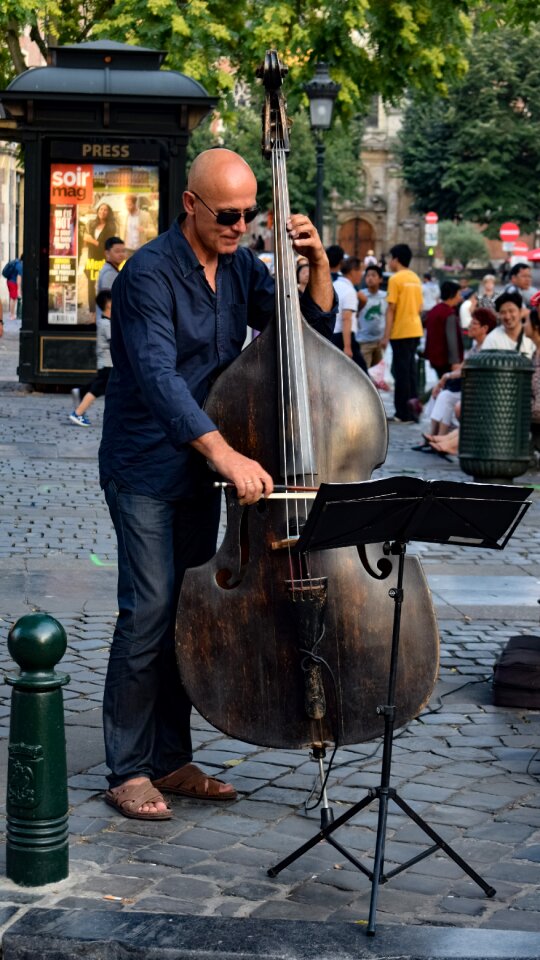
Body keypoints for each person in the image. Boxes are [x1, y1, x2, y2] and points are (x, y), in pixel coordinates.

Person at [98, 148, 336, 820]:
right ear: (191, 205)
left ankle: (171, 759)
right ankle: (126, 768)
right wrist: (226, 454)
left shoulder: (241, 267)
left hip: (205, 471)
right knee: (147, 612)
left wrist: (316, 265)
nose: (239, 225)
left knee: (186, 613)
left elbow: (304, 331)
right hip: (146, 467)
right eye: (227, 214)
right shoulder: (146, 276)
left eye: (249, 214)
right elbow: (160, 381)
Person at [381, 243, 423, 423]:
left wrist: (385, 335)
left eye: (391, 258)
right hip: (415, 329)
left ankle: (402, 413)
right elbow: (420, 307)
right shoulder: (415, 278)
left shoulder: (395, 279)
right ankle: (413, 410)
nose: (390, 262)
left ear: (396, 259)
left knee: (401, 373)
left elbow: (391, 309)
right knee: (411, 373)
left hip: (401, 331)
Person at [69, 289, 113, 426]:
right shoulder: (106, 324)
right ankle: (78, 413)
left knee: (98, 384)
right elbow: (115, 342)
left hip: (107, 362)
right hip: (108, 363)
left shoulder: (105, 321)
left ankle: (81, 391)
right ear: (109, 304)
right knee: (97, 389)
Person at [332, 256, 367, 371]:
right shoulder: (349, 291)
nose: (362, 274)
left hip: (332, 334)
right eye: (361, 270)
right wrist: (347, 347)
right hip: (344, 337)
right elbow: (346, 318)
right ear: (353, 271)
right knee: (361, 374)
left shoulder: (335, 285)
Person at [424, 279, 463, 379]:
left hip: (434, 357)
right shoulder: (448, 313)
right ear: (452, 295)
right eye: (458, 295)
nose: (460, 298)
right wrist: (455, 361)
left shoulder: (434, 310)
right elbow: (452, 339)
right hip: (445, 360)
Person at [83, 203, 117, 315]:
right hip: (92, 257)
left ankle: (105, 309)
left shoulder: (111, 227)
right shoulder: (92, 224)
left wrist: (92, 241)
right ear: (98, 211)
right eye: (101, 209)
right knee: (90, 284)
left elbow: (107, 245)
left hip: (104, 258)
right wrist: (87, 240)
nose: (103, 212)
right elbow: (85, 238)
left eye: (105, 210)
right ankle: (92, 311)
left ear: (108, 212)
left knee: (105, 283)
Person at [481, 291, 535, 357]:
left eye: (511, 311)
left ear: (520, 311)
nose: (507, 317)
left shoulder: (532, 335)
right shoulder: (492, 339)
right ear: (498, 315)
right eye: (503, 312)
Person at [356, 264, 387, 369]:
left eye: (373, 275)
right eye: (368, 276)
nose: (370, 278)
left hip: (380, 342)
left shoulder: (385, 296)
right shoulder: (360, 295)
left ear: (380, 279)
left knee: (378, 376)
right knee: (364, 372)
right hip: (364, 341)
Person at [4, 255, 22, 321]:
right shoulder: (20, 266)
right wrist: (19, 289)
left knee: (13, 298)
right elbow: (19, 278)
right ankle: (11, 315)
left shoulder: (16, 262)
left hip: (9, 281)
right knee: (13, 298)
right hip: (13, 283)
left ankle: (12, 314)